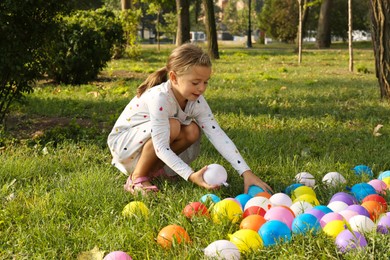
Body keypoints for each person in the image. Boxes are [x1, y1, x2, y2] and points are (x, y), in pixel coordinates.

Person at [107, 43, 272, 195]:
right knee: (173, 125)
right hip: (124, 146)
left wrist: (246, 172)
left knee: (192, 130)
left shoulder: (196, 101)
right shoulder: (160, 97)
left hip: (147, 144)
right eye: (195, 82)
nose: (201, 88)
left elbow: (217, 134)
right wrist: (190, 175)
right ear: (174, 78)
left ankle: (155, 172)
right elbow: (160, 147)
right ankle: (136, 179)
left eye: (206, 82)